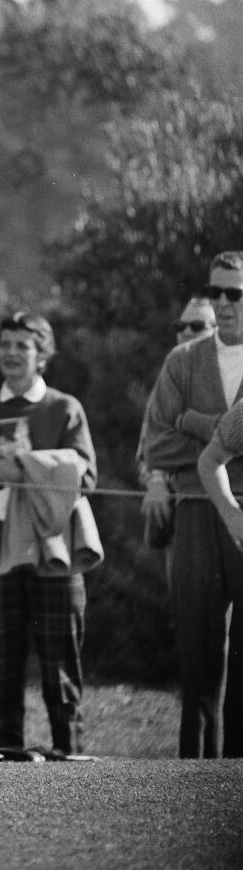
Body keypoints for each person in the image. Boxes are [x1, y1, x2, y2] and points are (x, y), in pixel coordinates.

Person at [0, 311, 97, 760]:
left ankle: (67, 745)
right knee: (3, 645)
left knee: (60, 644)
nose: (11, 353)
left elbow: (86, 476)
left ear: (42, 355)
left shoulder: (64, 407)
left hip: (53, 538)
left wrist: (27, 467)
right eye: (5, 345)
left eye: (22, 346)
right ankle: (5, 744)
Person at [144, 251, 243, 757]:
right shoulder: (182, 361)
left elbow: (181, 434)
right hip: (196, 511)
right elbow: (155, 446)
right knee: (199, 657)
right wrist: (224, 437)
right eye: (214, 292)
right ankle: (193, 771)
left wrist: (195, 422)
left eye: (235, 293)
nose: (222, 303)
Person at [137, 295, 217, 549]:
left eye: (197, 326)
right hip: (183, 511)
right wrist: (156, 480)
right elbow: (150, 448)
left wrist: (188, 427)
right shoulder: (169, 379)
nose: (186, 332)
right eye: (180, 326)